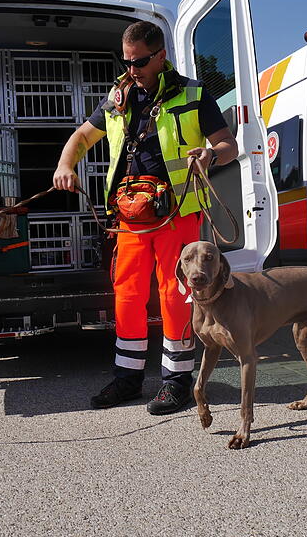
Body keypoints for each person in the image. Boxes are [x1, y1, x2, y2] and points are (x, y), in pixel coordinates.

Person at [53, 21, 238, 415]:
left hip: (176, 211)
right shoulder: (117, 97)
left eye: (139, 61)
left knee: (173, 294)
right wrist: (65, 164)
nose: (132, 68)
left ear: (161, 56)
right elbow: (82, 137)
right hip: (130, 214)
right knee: (128, 294)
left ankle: (177, 382)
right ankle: (128, 378)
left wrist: (211, 154)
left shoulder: (194, 93)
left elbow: (228, 144)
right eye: (127, 60)